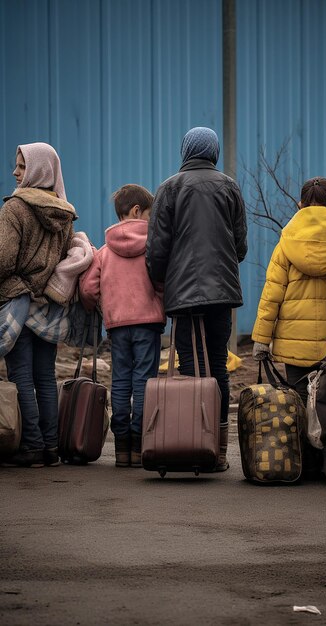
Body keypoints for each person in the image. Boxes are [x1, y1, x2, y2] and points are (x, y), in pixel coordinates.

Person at [146, 126, 248, 471]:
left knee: (188, 365)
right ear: (214, 152)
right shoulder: (229, 186)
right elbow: (240, 246)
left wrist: (161, 279)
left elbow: (157, 247)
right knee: (218, 364)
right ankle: (217, 450)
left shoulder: (169, 188)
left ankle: (190, 443)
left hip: (184, 293)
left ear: (185, 150)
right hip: (221, 291)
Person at [0, 142, 77, 467]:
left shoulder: (15, 209)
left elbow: (3, 259)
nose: (15, 172)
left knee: (21, 376)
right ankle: (50, 447)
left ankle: (31, 447)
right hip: (49, 307)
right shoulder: (64, 211)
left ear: (37, 169)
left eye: (21, 166)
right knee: (45, 377)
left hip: (18, 304)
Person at [80, 184, 165, 468]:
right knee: (144, 381)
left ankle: (121, 449)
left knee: (120, 381)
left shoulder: (104, 252)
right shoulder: (152, 247)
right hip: (148, 323)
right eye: (150, 215)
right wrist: (160, 300)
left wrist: (102, 307)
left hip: (117, 326)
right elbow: (162, 281)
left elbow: (88, 290)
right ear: (138, 211)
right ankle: (140, 445)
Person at [252, 177, 326, 404]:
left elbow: (272, 294)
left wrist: (262, 339)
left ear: (300, 205)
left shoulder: (286, 243)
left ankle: (301, 439)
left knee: (299, 397)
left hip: (293, 339)